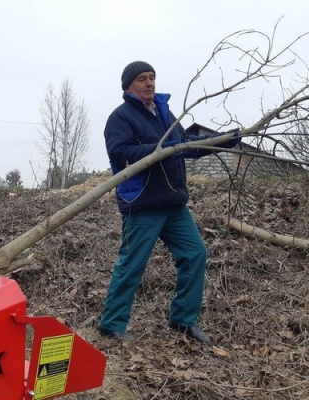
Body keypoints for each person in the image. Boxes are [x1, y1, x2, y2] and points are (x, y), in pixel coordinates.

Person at [100, 61, 241, 344]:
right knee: (133, 263)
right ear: (128, 86)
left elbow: (184, 144)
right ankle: (111, 325)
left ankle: (183, 320)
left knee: (195, 254)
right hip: (143, 203)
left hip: (174, 203)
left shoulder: (165, 112)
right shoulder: (121, 117)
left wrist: (224, 139)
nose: (149, 83)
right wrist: (161, 149)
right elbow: (119, 153)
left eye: (152, 77)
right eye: (142, 79)